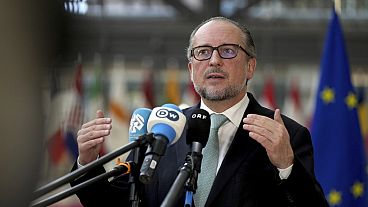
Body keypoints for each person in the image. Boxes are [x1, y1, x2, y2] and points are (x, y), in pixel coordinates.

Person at [71, 16, 329, 207]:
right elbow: (113, 204)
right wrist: (87, 161)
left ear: (250, 67)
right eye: (203, 52)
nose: (214, 61)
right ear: (191, 68)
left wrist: (286, 165)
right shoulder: (162, 130)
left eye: (227, 51)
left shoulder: (286, 134)